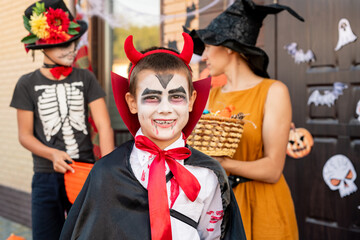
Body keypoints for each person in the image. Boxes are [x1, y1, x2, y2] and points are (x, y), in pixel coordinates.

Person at [60, 33, 246, 240]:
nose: (165, 109)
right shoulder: (106, 172)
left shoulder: (209, 175)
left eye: (176, 97)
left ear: (192, 100)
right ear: (132, 102)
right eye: (152, 97)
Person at [186, 0, 304, 239]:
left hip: (264, 205)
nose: (204, 55)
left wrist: (221, 164)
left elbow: (272, 169)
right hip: (221, 206)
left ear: (229, 47)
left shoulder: (273, 91)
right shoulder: (209, 96)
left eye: (208, 46)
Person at [10, 0, 114, 239]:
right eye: (61, 45)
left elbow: (105, 125)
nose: (71, 50)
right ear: (42, 48)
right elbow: (24, 135)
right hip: (46, 174)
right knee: (46, 234)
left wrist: (107, 169)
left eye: (72, 42)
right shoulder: (27, 83)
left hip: (84, 170)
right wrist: (52, 154)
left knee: (88, 234)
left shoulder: (85, 77)